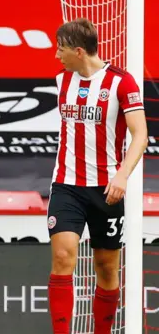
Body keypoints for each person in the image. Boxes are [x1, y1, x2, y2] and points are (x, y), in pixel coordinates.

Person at [47, 18, 148, 334]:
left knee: (106, 269)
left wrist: (122, 175)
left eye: (60, 48)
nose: (56, 55)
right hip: (66, 185)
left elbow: (140, 135)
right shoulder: (61, 81)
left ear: (78, 51)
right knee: (63, 256)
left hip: (107, 189)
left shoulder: (122, 83)